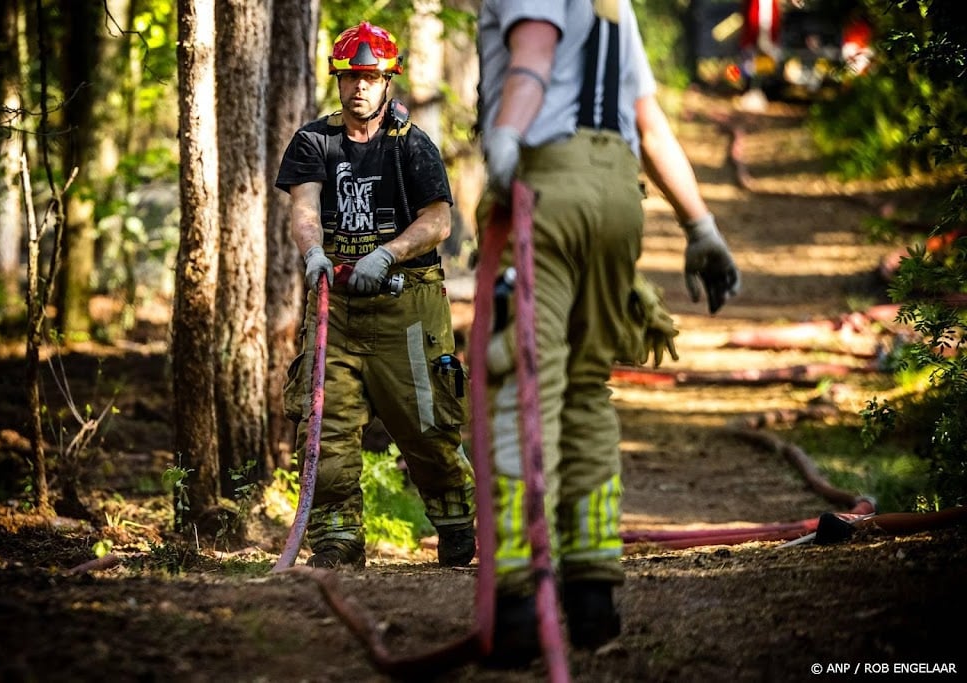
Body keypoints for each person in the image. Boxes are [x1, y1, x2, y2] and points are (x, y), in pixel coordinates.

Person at [475, 0, 741, 667]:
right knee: (588, 387)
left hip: (548, 184)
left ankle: (518, 599)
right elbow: (647, 121)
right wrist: (699, 225)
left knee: (526, 381)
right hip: (620, 194)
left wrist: (506, 137)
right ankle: (592, 595)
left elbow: (534, 51)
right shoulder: (615, 4)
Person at [274, 21, 476, 570]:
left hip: (408, 309)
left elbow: (437, 221)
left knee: (427, 424)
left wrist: (387, 254)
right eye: (350, 76)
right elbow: (304, 209)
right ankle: (337, 539)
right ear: (337, 79)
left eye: (370, 77)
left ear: (388, 80)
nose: (359, 86)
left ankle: (455, 521)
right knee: (326, 425)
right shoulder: (314, 141)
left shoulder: (412, 144)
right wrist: (314, 253)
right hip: (335, 310)